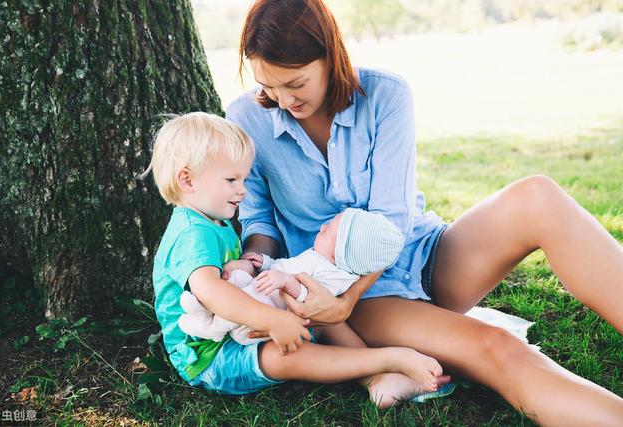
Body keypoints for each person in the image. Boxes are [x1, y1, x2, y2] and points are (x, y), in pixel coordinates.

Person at [226, 0, 623, 424]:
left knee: (537, 196)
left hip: (420, 253)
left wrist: (348, 301)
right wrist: (259, 265)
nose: (283, 100)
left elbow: (393, 221)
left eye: (296, 83)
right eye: (268, 86)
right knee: (499, 349)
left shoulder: (386, 94)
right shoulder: (246, 117)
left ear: (329, 56)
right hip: (359, 295)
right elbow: (260, 221)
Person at [145, 111, 450, 405]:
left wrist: (247, 267)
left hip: (237, 331)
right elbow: (211, 292)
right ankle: (386, 360)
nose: (242, 191)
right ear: (187, 180)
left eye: (243, 180)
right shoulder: (190, 232)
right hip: (210, 357)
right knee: (286, 356)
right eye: (231, 180)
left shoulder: (213, 222)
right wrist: (274, 320)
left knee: (310, 310)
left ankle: (377, 379)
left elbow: (228, 278)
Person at [177, 207, 403, 344]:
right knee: (236, 279)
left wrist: (286, 282)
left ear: (340, 256)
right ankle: (206, 308)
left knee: (246, 298)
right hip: (264, 289)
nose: (322, 228)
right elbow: (287, 266)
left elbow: (309, 296)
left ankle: (212, 328)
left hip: (266, 315)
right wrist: (266, 262)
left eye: (329, 232)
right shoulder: (319, 255)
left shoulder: (334, 275)